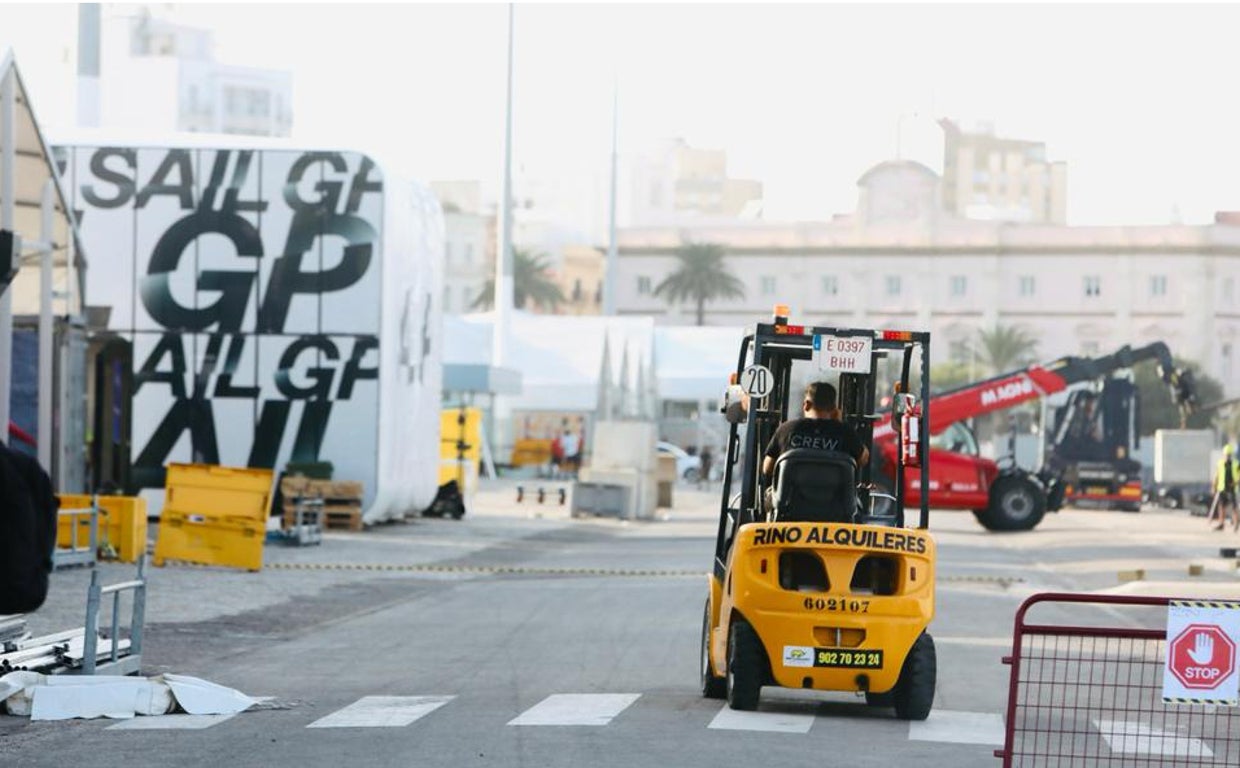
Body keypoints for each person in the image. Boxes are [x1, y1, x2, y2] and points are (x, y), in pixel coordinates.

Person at [762, 381, 870, 479]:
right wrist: (839, 423)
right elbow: (863, 459)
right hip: (834, 500)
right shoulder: (845, 432)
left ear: (806, 405)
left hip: (792, 499)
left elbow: (767, 468)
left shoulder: (786, 429)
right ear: (833, 408)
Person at [1209, 444, 1240, 532]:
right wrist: (1213, 486)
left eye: (1229, 455)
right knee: (1221, 506)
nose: (1227, 456)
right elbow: (1217, 475)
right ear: (1224, 454)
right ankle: (1221, 523)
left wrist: (1235, 482)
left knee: (1234, 507)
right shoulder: (1220, 463)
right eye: (1226, 454)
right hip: (1222, 488)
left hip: (1232, 488)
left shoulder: (1236, 464)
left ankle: (1236, 523)